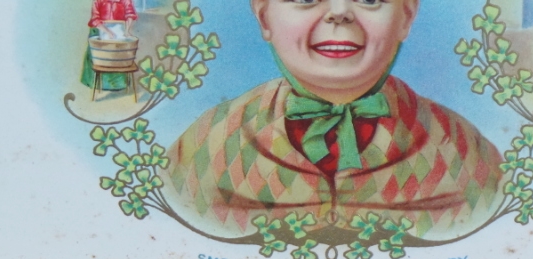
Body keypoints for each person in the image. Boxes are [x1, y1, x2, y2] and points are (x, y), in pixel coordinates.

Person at [164, 0, 504, 245]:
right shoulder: (207, 143)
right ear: (263, 15)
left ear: (407, 15)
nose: (339, 12)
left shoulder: (463, 148)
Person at [80, 0, 139, 93]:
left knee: (118, 57)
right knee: (99, 58)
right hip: (100, 31)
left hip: (119, 32)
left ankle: (118, 85)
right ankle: (96, 84)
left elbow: (130, 14)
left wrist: (127, 31)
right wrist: (107, 32)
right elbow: (95, 19)